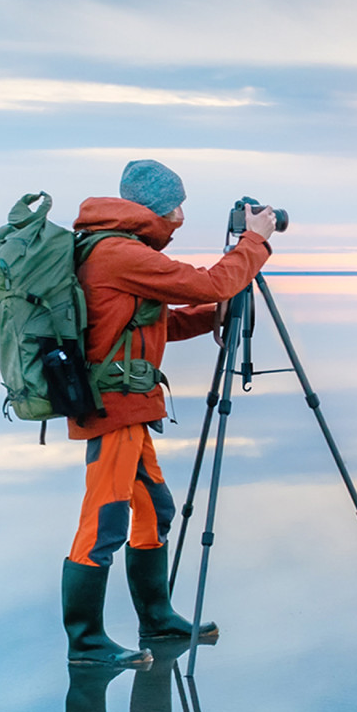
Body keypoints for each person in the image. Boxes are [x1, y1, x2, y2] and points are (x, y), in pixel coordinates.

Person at [61, 159, 276, 667]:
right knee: (104, 520)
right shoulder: (118, 252)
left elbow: (155, 325)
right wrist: (255, 242)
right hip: (114, 408)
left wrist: (211, 316)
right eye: (175, 205)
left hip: (131, 406)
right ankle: (86, 643)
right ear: (153, 208)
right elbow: (207, 284)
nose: (180, 215)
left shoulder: (117, 249)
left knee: (153, 510)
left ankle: (157, 621)